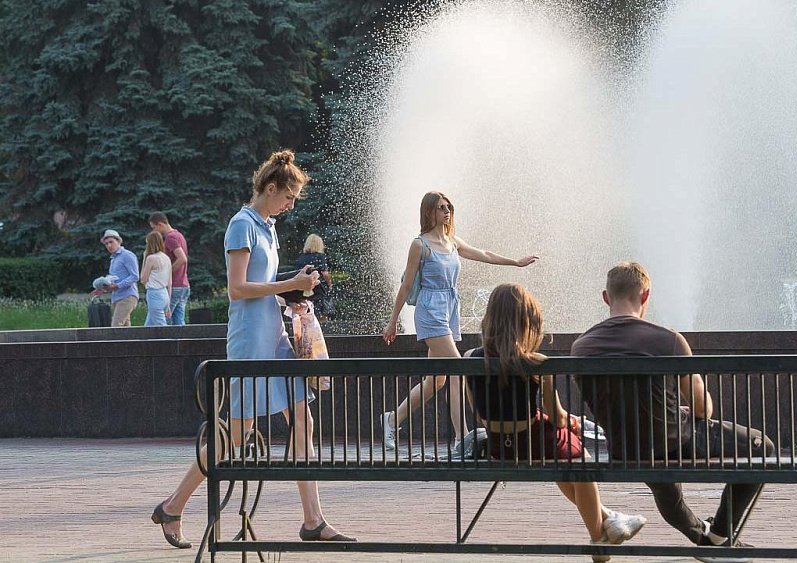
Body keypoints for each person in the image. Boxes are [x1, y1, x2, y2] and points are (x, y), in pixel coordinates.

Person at [152, 150, 355, 548]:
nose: (291, 204)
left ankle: (313, 520)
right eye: (289, 196)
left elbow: (261, 286)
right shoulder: (241, 225)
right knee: (236, 435)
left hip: (275, 337)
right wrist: (286, 285)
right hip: (249, 341)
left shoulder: (266, 225)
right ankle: (173, 505)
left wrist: (293, 293)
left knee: (303, 419)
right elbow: (237, 289)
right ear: (271, 188)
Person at [571, 262, 773, 563]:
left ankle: (710, 541)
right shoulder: (668, 340)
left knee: (664, 482)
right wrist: (677, 408)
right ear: (645, 296)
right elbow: (704, 410)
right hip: (674, 439)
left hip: (626, 447)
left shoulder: (581, 347)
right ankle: (720, 533)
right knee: (763, 448)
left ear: (605, 297)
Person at [465, 283, 646, 562]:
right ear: (526, 321)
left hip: (500, 447)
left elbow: (479, 415)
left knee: (564, 457)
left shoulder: (470, 359)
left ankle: (610, 517)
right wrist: (570, 421)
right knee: (579, 459)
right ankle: (599, 539)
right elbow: (558, 416)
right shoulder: (537, 363)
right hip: (534, 442)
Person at [381, 191, 539, 451]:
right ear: (429, 211)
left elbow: (484, 253)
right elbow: (407, 284)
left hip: (449, 309)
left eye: (448, 207)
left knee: (437, 381)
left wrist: (515, 263)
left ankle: (392, 419)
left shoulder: (452, 241)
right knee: (457, 367)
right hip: (430, 311)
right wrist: (392, 321)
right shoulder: (420, 244)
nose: (447, 211)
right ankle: (460, 437)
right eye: (441, 207)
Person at [148, 212, 190, 325]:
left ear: (160, 224)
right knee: (179, 322)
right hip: (184, 285)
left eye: (154, 227)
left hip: (174, 285)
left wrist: (166, 273)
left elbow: (182, 258)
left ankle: (162, 342)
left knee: (163, 319)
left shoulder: (170, 238)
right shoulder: (179, 235)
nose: (154, 232)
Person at [93, 229, 139, 326]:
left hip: (127, 296)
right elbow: (113, 279)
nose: (109, 245)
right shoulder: (113, 259)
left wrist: (117, 286)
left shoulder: (127, 255)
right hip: (117, 297)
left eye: (111, 242)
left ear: (118, 241)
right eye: (106, 244)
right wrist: (103, 289)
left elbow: (135, 276)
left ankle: (114, 342)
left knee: (116, 325)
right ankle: (130, 341)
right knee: (125, 328)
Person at [295, 234, 332, 320]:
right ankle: (321, 329)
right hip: (318, 288)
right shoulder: (319, 256)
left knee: (306, 312)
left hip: (303, 289)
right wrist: (330, 284)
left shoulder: (301, 258)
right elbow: (325, 273)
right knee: (321, 312)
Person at [140, 231, 172, 326]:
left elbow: (143, 279)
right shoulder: (166, 258)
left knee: (161, 326)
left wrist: (144, 258)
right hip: (165, 293)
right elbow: (169, 282)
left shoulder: (151, 258)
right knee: (149, 325)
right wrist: (169, 303)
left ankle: (169, 341)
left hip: (154, 293)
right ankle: (144, 340)